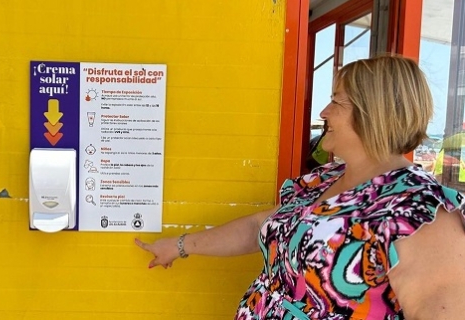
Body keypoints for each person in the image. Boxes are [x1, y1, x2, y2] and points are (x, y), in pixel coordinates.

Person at [136, 55, 465, 319]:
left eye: (336, 101)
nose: (324, 112)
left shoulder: (417, 208)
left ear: (373, 114)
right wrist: (179, 245)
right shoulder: (325, 179)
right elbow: (260, 229)